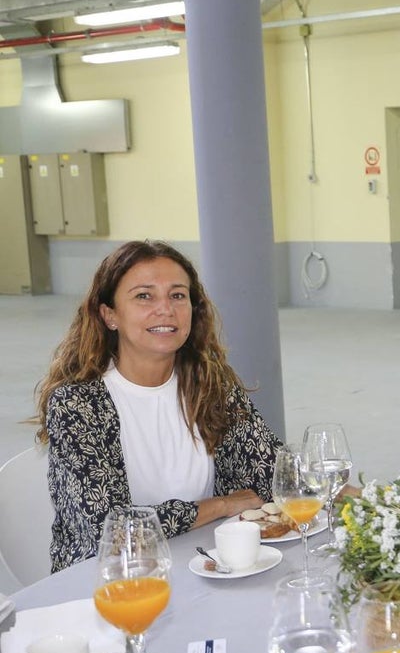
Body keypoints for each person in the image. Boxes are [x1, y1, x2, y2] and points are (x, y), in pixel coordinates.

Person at [35, 241, 281, 572]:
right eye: (144, 296)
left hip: (204, 562)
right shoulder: (77, 404)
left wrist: (360, 499)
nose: (165, 309)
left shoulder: (210, 383)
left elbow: (270, 473)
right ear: (109, 315)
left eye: (178, 295)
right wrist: (220, 505)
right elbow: (112, 530)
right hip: (109, 581)